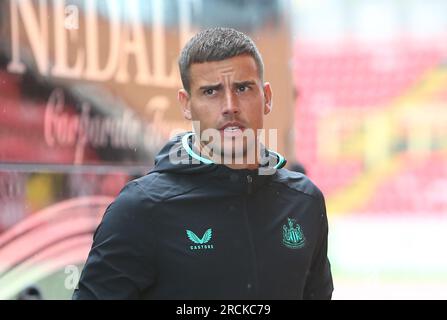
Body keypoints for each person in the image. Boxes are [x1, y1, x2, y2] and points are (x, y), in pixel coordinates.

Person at [73, 27, 333, 300]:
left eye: (243, 88)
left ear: (266, 98)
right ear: (186, 105)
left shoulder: (305, 201)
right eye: (211, 92)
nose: (230, 105)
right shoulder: (141, 209)